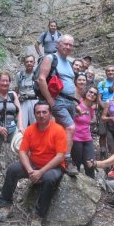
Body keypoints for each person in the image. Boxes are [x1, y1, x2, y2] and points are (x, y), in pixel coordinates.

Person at [0, 102, 66, 226]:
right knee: (12, 170)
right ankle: (5, 205)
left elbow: (60, 156)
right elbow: (22, 152)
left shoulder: (58, 130)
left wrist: (40, 172)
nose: (41, 115)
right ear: (34, 114)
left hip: (53, 166)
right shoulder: (30, 130)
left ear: (50, 113)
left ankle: (38, 216)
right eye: (38, 112)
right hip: (33, 165)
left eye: (44, 112)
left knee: (49, 179)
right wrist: (30, 171)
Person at [38, 34, 78, 176]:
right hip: (58, 100)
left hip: (69, 101)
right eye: (65, 44)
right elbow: (41, 79)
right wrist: (50, 100)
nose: (68, 47)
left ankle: (56, 159)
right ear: (58, 44)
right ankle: (67, 160)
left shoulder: (68, 63)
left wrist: (75, 102)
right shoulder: (50, 58)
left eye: (70, 45)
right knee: (70, 127)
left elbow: (72, 84)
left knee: (62, 131)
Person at [0, 71, 24, 170]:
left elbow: (19, 111)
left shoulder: (12, 94)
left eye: (7, 81)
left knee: (23, 146)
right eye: (2, 81)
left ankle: (22, 170)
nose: (5, 83)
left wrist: (21, 126)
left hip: (12, 128)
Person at [72, 86, 98, 178]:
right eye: (90, 92)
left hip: (87, 138)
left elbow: (89, 123)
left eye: (95, 94)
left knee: (90, 163)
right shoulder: (77, 106)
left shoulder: (91, 110)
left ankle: (92, 188)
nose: (92, 94)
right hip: (76, 138)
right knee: (76, 164)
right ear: (86, 92)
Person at [97, 65, 114, 159]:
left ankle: (113, 154)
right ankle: (102, 153)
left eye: (112, 71)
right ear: (106, 72)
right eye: (108, 71)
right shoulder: (102, 84)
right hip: (103, 110)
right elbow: (99, 99)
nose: (110, 72)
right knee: (102, 133)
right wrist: (106, 111)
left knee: (113, 134)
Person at [14, 55, 38, 129]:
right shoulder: (19, 75)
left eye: (31, 61)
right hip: (23, 101)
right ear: (24, 63)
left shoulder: (37, 74)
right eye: (27, 62)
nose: (29, 63)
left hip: (35, 101)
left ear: (34, 63)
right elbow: (16, 90)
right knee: (21, 124)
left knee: (36, 124)